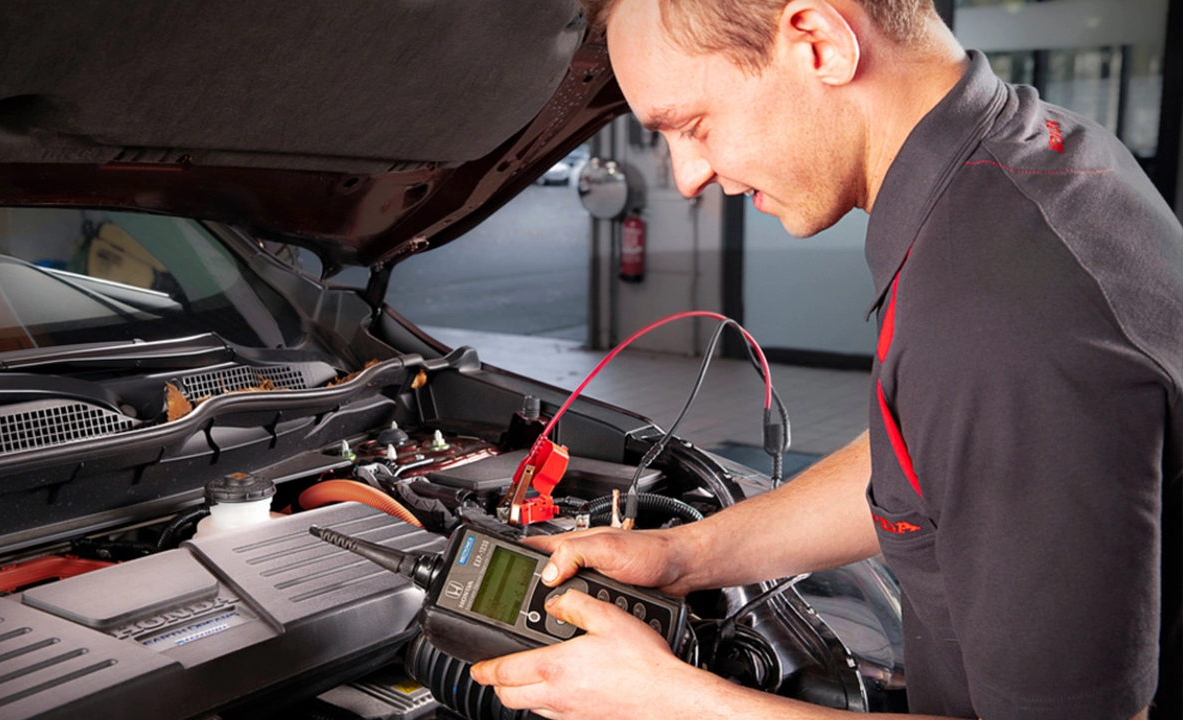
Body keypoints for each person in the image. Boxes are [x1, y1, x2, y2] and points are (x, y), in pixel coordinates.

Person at [469, 1, 1182, 719]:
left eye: (691, 126)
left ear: (819, 44)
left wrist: (670, 701)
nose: (685, 177)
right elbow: (935, 460)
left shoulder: (1005, 317)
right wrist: (686, 556)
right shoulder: (1024, 164)